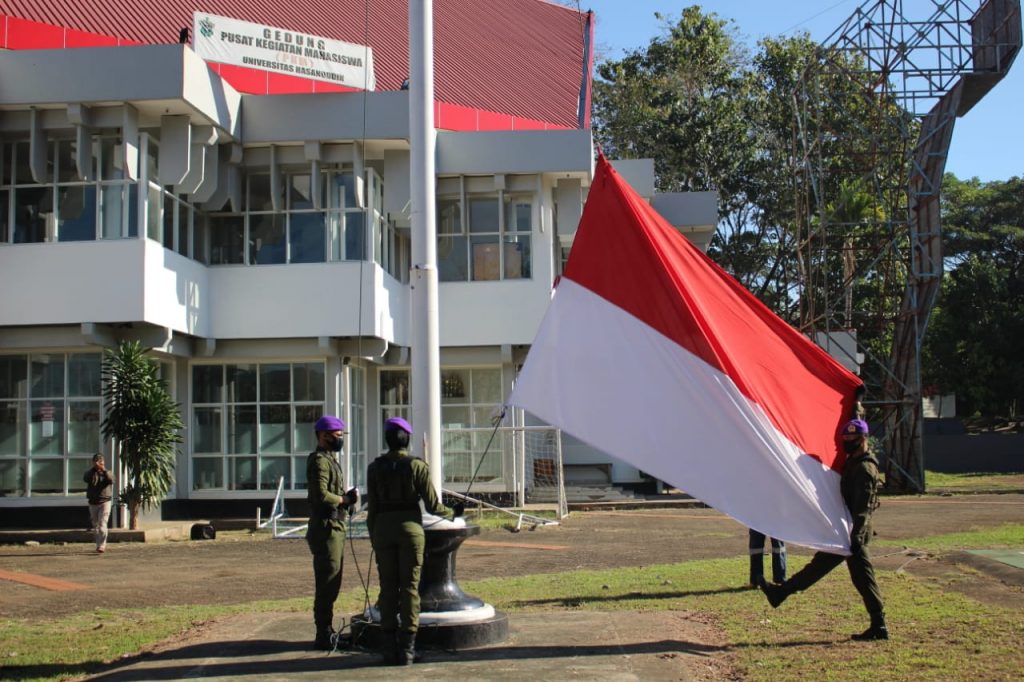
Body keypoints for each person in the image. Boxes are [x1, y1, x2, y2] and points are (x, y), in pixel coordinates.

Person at [760, 418, 888, 640]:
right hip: (847, 531)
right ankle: (780, 593)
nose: (848, 441)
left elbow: (863, 508)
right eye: (845, 438)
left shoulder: (865, 468)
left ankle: (781, 593)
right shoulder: (853, 462)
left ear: (863, 439)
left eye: (852, 438)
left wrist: (855, 537)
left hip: (852, 534)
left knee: (856, 577)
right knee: (854, 576)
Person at [366, 416, 461, 665]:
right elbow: (432, 505)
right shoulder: (416, 466)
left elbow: (372, 508)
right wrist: (453, 513)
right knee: (409, 586)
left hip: (383, 529)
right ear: (406, 438)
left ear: (387, 439)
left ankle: (388, 648)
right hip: (410, 529)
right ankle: (407, 649)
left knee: (387, 587)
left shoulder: (374, 468)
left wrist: (374, 536)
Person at [306, 415, 359, 651]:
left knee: (333, 580)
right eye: (337, 435)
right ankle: (323, 633)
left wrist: (346, 499)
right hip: (326, 527)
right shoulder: (319, 461)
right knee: (327, 581)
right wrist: (343, 499)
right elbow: (321, 495)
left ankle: (326, 630)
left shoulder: (330, 459)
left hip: (335, 526)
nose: (340, 439)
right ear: (324, 436)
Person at [83, 453, 114, 553]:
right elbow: (86, 478)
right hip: (93, 503)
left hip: (105, 502)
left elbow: (111, 479)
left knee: (102, 524)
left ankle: (102, 545)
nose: (99, 463)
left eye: (101, 461)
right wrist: (94, 469)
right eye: (97, 461)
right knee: (96, 525)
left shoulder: (108, 472)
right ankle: (98, 544)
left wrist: (103, 469)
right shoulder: (90, 473)